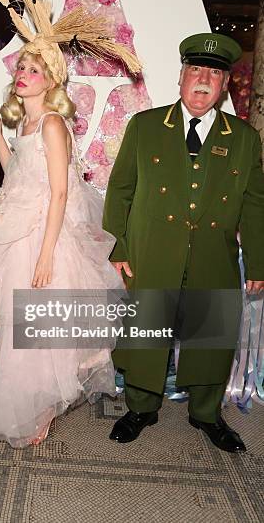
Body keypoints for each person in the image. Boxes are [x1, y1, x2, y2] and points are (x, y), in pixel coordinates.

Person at [0, 0, 141, 448]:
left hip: (48, 235)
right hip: (20, 229)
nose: (23, 75)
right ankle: (28, 406)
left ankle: (39, 408)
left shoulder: (54, 126)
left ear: (51, 81)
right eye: (21, 68)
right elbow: (16, 169)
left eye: (33, 70)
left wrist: (45, 255)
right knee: (23, 329)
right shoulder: (26, 125)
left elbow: (61, 192)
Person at [103, 32, 264, 453]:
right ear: (181, 77)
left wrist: (260, 264)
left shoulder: (244, 138)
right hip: (153, 250)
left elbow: (254, 204)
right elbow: (120, 189)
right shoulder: (147, 126)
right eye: (196, 70)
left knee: (210, 338)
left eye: (214, 73)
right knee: (146, 334)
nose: (204, 80)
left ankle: (207, 414)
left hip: (214, 254)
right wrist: (117, 246)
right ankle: (141, 408)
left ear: (225, 84)